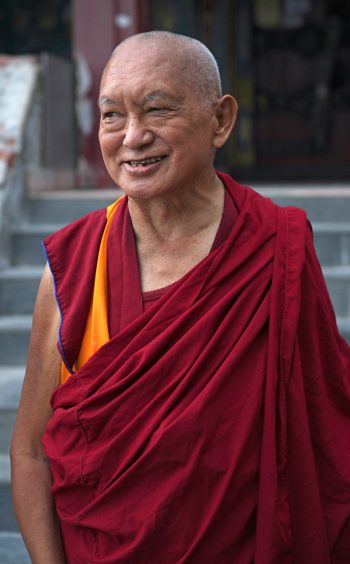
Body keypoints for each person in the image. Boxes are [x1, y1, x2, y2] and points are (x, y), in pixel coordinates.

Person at [10, 31, 350, 564]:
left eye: (157, 109)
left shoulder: (275, 247)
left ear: (221, 121)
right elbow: (30, 451)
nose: (133, 137)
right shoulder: (74, 268)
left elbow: (325, 435)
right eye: (111, 116)